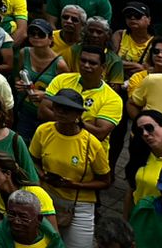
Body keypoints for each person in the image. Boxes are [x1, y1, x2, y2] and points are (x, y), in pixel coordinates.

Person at [29, 89, 111, 248]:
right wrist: (41, 174)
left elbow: (105, 181)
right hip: (47, 198)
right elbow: (33, 159)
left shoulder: (91, 144)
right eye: (57, 106)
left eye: (67, 109)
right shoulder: (43, 131)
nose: (60, 111)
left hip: (79, 204)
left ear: (78, 114)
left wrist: (73, 185)